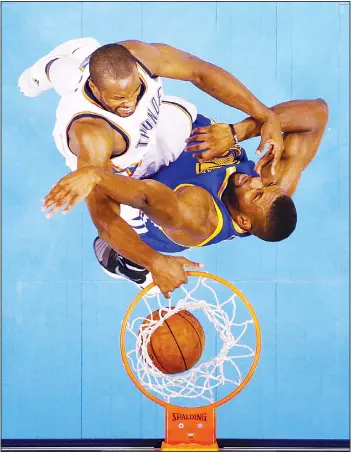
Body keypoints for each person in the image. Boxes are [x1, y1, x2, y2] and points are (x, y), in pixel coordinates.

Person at [20, 37, 285, 294]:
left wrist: (265, 116)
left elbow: (200, 72)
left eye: (135, 92)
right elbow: (103, 217)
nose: (129, 104)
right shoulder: (91, 135)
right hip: (121, 163)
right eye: (119, 100)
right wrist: (154, 261)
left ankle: (81, 55)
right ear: (98, 90)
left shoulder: (141, 57)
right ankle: (47, 69)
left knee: (175, 119)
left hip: (148, 135)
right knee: (67, 74)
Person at [42, 99, 329, 298]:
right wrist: (239, 131)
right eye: (265, 184)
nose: (255, 179)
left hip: (142, 197)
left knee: (94, 134)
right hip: (170, 148)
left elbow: (146, 197)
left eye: (256, 192)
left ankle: (129, 259)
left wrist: (95, 176)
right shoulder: (270, 193)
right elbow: (317, 115)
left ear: (242, 219)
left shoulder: (201, 215)